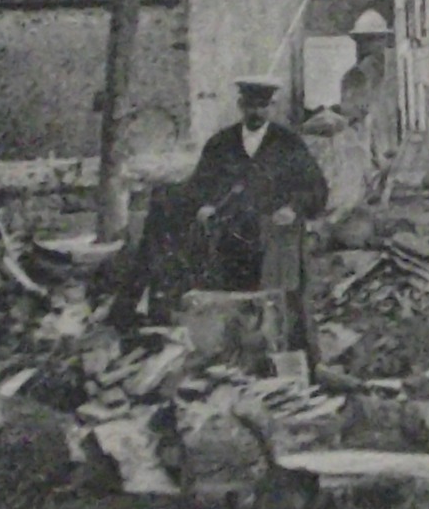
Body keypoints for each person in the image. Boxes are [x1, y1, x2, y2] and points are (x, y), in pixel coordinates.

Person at [111, 76, 328, 347]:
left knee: (277, 304)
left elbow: (316, 189)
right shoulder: (221, 143)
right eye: (250, 106)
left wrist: (293, 208)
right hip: (230, 238)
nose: (256, 113)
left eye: (262, 106)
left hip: (272, 237)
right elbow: (200, 184)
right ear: (240, 105)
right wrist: (204, 203)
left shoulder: (289, 144)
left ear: (271, 108)